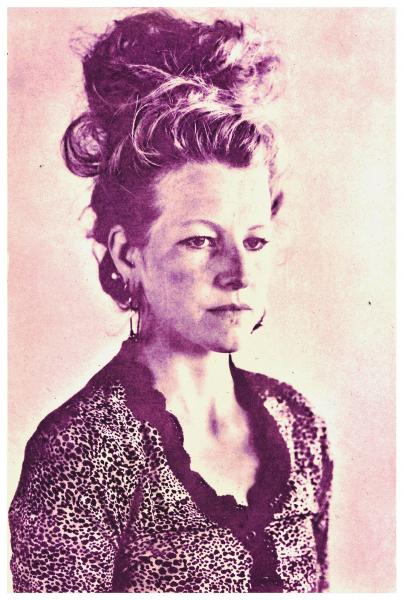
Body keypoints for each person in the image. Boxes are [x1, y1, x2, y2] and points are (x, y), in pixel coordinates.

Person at [9, 9, 333, 593]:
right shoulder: (80, 452)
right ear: (127, 254)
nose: (239, 274)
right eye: (200, 240)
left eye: (254, 241)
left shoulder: (299, 425)